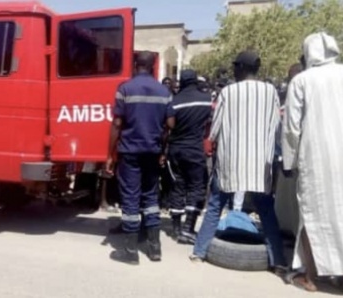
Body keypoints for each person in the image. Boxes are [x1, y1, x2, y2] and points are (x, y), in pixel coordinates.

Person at [282, 32, 343, 295]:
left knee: (312, 216)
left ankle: (310, 277)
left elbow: (292, 129)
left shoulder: (302, 80)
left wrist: (289, 160)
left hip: (313, 158)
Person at [190, 51, 287, 274]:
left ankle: (199, 252)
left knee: (215, 206)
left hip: (230, 162)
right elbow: (276, 126)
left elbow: (214, 130)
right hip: (259, 163)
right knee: (266, 211)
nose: (233, 70)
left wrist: (214, 140)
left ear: (241, 67)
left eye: (235, 66)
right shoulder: (270, 91)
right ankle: (278, 261)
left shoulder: (228, 92)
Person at [105, 51, 175, 265]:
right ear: (153, 66)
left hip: (130, 152)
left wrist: (110, 154)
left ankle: (130, 250)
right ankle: (155, 249)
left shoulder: (125, 88)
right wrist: (162, 150)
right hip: (152, 152)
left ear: (136, 65)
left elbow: (117, 124)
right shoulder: (164, 91)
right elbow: (170, 125)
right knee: (151, 198)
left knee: (131, 198)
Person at [167, 69, 212, 244]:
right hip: (195, 149)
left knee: (177, 186)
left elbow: (169, 125)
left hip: (176, 149)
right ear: (195, 81)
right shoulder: (206, 101)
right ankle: (188, 228)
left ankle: (176, 229)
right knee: (196, 187)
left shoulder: (174, 101)